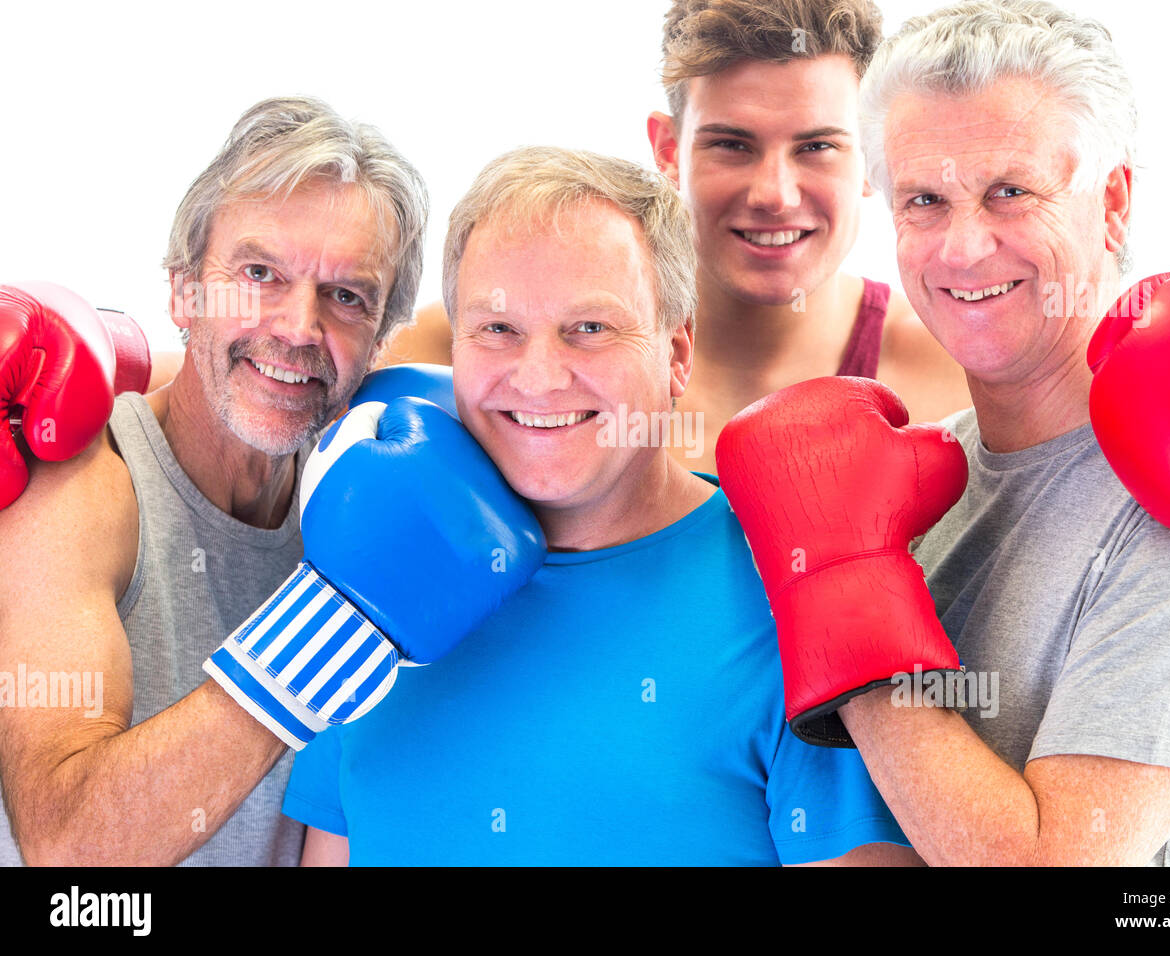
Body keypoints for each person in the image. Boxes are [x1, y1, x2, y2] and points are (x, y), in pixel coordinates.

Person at [716, 0, 1170, 865]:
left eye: (1010, 192)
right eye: (924, 199)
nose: (961, 246)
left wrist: (847, 592)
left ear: (1112, 201)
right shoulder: (911, 483)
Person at [281, 146, 920, 865]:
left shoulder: (789, 594)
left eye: (590, 328)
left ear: (678, 351)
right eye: (498, 330)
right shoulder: (369, 573)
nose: (541, 376)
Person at [0, 96, 429, 866]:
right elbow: (66, 847)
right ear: (183, 293)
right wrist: (331, 622)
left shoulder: (356, 503)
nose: (300, 328)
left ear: (380, 339)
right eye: (259, 274)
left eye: (346, 296)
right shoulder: (84, 489)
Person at [379, 0, 970, 475]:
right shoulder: (454, 350)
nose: (774, 194)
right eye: (731, 144)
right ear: (667, 150)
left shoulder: (956, 375)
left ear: (874, 154)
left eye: (816, 147)